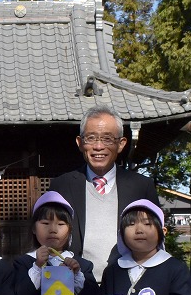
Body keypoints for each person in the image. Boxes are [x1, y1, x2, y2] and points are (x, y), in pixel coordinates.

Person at [50, 106, 159, 279]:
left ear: (121, 144)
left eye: (107, 139)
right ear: (80, 143)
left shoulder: (141, 187)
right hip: (76, 283)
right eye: (91, 138)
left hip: (128, 282)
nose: (98, 146)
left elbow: (155, 241)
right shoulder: (62, 186)